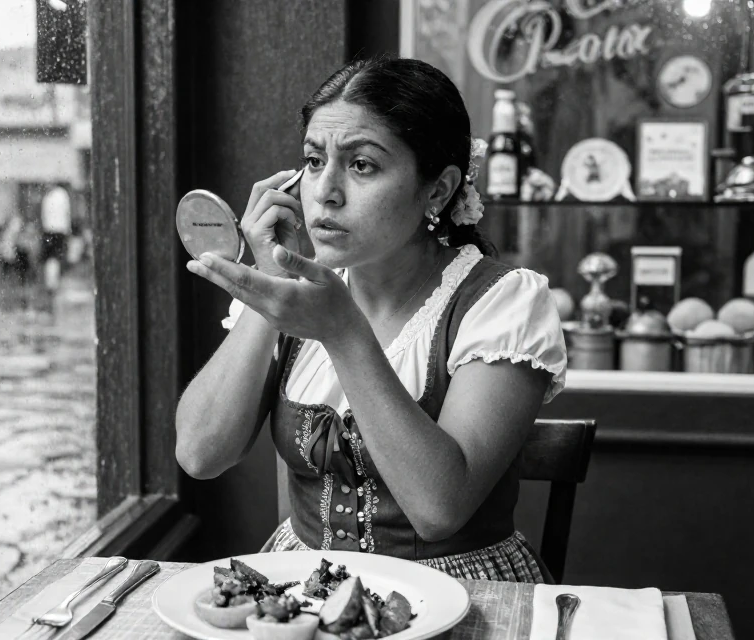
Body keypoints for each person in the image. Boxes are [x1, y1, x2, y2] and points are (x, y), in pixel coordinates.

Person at [176, 56, 567, 582]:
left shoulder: (503, 302)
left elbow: (438, 509)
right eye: (314, 162)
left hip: (461, 590)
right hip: (305, 585)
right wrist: (267, 288)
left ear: (438, 189)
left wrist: (343, 332)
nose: (325, 192)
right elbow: (200, 454)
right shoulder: (303, 294)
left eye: (362, 165)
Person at [39, 182, 72, 302]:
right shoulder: (61, 195)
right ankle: (52, 284)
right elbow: (66, 213)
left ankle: (51, 284)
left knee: (51, 258)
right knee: (54, 258)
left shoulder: (49, 196)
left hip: (51, 230)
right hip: (58, 230)